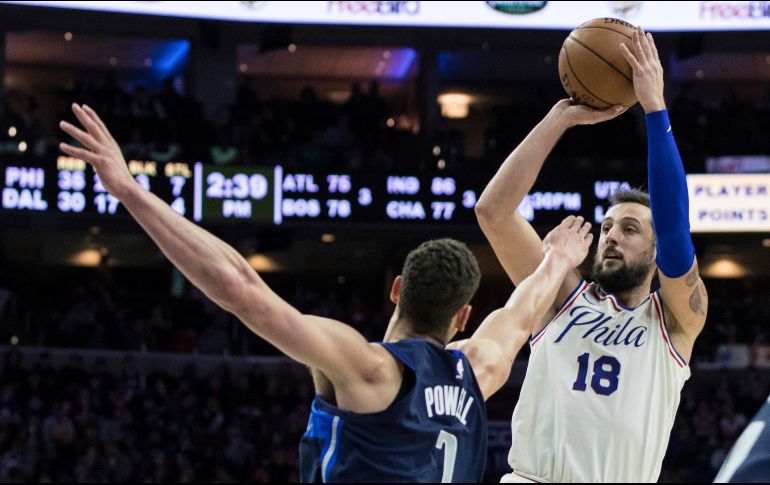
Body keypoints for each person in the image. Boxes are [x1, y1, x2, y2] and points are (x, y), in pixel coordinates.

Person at [59, 105, 593, 482]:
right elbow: (524, 309)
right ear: (464, 316)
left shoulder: (368, 369)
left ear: (397, 290)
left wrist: (129, 190)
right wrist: (558, 259)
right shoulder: (480, 368)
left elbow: (239, 287)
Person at [475, 28, 709, 483]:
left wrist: (655, 108)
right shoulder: (558, 293)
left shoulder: (676, 321)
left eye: (629, 228)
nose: (611, 236)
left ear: (656, 250)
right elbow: (493, 212)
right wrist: (559, 119)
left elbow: (674, 230)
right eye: (606, 228)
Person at [714, 394, 770, 483]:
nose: (727, 409)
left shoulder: (741, 418)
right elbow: (723, 439)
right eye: (724, 408)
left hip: (744, 448)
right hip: (728, 450)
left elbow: (747, 436)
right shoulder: (722, 422)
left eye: (728, 407)